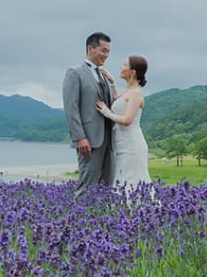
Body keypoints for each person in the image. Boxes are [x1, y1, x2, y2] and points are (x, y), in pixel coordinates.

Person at [63, 32, 113, 195]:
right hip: (89, 141)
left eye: (108, 52)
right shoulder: (75, 72)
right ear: (90, 48)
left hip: (108, 140)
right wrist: (79, 137)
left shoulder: (104, 76)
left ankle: (100, 220)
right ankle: (77, 219)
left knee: (106, 186)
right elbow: (71, 107)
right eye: (103, 50)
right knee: (86, 188)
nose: (106, 55)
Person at [96, 55, 151, 189]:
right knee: (122, 181)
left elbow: (127, 120)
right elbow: (119, 102)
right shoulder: (129, 91)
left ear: (133, 72)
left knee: (132, 182)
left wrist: (106, 112)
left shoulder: (136, 93)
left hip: (132, 145)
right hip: (122, 144)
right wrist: (112, 83)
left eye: (125, 65)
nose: (121, 67)